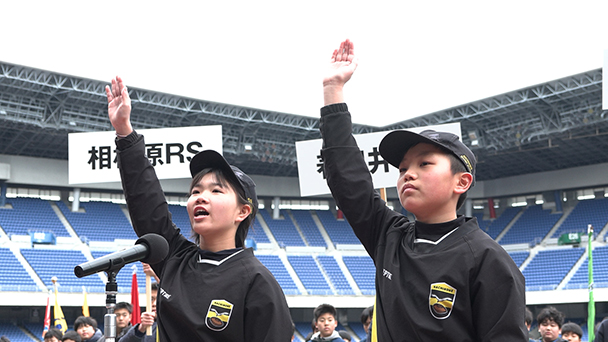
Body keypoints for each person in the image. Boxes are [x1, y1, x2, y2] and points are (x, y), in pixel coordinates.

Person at [319, 39, 527, 342]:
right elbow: (348, 179)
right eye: (403, 169)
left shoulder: (488, 260)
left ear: (461, 182)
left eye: (424, 164)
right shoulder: (389, 236)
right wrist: (332, 90)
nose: (408, 175)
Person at [106, 76, 293, 341]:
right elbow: (147, 205)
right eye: (196, 191)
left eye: (216, 190)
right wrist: (125, 132)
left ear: (243, 212)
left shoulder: (257, 282)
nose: (200, 197)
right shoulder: (175, 259)